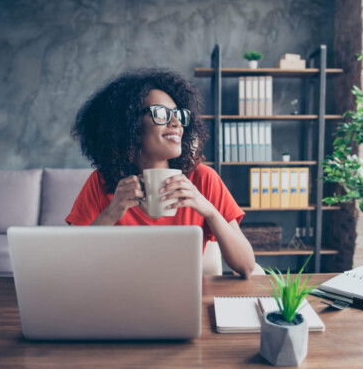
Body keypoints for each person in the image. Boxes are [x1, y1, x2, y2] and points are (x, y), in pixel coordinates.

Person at [66, 69, 255, 278]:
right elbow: (71, 262)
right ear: (129, 125)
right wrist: (111, 213)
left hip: (183, 298)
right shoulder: (102, 182)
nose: (176, 123)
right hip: (118, 297)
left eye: (178, 114)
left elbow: (246, 267)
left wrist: (209, 211)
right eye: (162, 113)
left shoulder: (203, 178)